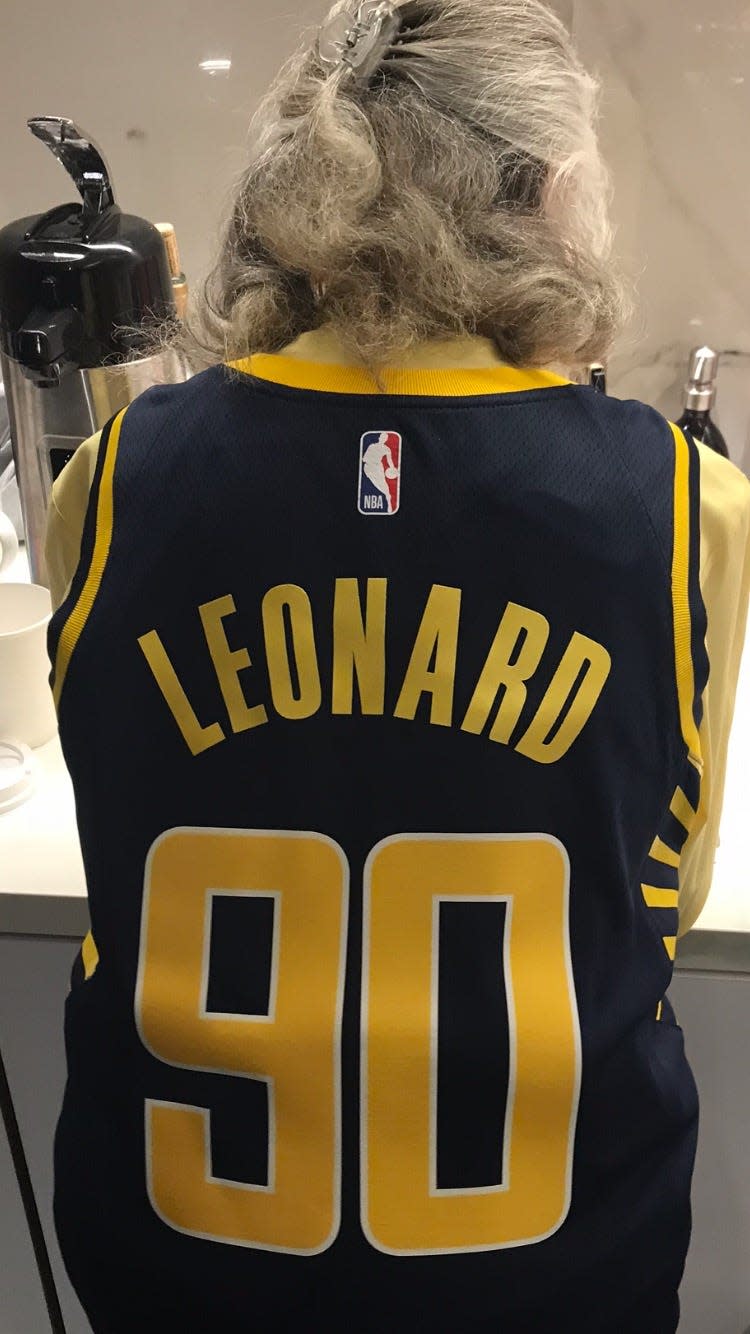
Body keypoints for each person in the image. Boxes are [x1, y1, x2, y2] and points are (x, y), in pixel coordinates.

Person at [43, 1, 750, 1331]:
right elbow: (666, 880)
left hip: (181, 1250)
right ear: (546, 196)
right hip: (547, 1260)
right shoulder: (684, 503)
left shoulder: (112, 474)